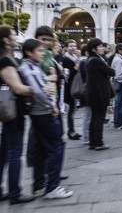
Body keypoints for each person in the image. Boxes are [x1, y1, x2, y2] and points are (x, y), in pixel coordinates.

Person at [19, 38, 73, 199]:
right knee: (56, 147)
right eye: (40, 51)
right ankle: (52, 187)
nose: (43, 54)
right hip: (43, 112)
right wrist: (52, 105)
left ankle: (39, 184)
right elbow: (38, 90)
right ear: (29, 52)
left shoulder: (32, 66)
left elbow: (45, 85)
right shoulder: (29, 67)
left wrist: (48, 84)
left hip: (39, 112)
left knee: (42, 149)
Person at [0, 26, 35, 204]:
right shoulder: (5, 61)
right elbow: (18, 88)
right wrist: (38, 89)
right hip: (14, 111)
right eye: (13, 35)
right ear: (5, 40)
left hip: (11, 111)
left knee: (5, 150)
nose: (16, 37)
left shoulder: (8, 58)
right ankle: (15, 192)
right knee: (14, 152)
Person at [86, 38, 115, 151]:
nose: (102, 48)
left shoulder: (90, 60)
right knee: (99, 118)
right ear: (93, 49)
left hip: (93, 92)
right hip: (99, 93)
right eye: (100, 47)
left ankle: (93, 142)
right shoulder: (96, 60)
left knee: (94, 118)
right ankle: (98, 142)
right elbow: (111, 72)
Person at [62, 39, 80, 140]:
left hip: (75, 85)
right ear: (66, 47)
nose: (73, 48)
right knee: (71, 110)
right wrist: (77, 65)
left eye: (74, 46)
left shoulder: (73, 57)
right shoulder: (66, 59)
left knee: (73, 109)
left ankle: (72, 129)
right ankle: (71, 131)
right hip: (70, 87)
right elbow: (68, 75)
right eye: (71, 46)